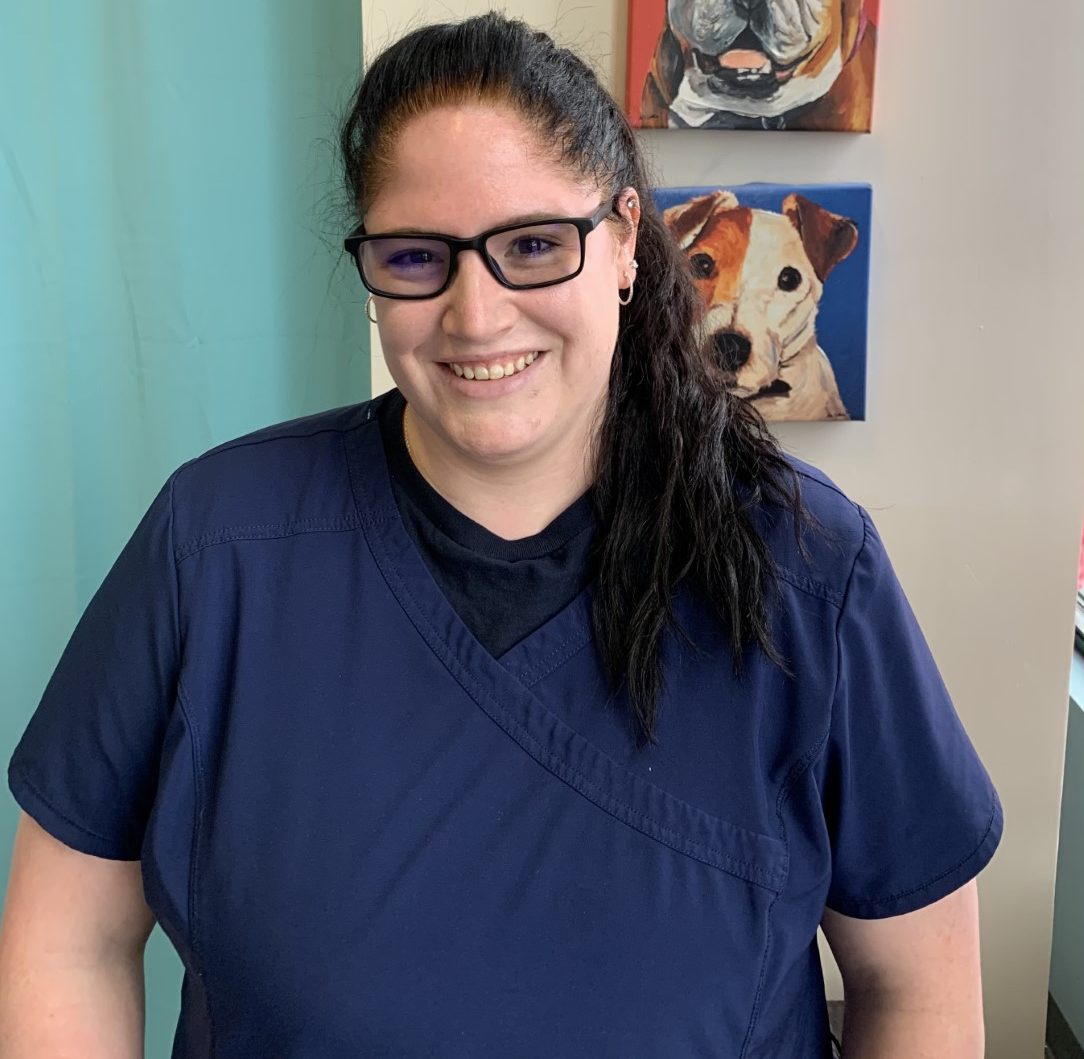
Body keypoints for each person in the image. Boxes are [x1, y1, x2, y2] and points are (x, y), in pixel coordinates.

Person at [0, 12, 1001, 1058]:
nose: (476, 316)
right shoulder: (219, 549)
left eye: (532, 245)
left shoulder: (806, 566)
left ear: (623, 242)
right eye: (416, 256)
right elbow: (68, 939)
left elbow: (916, 984)